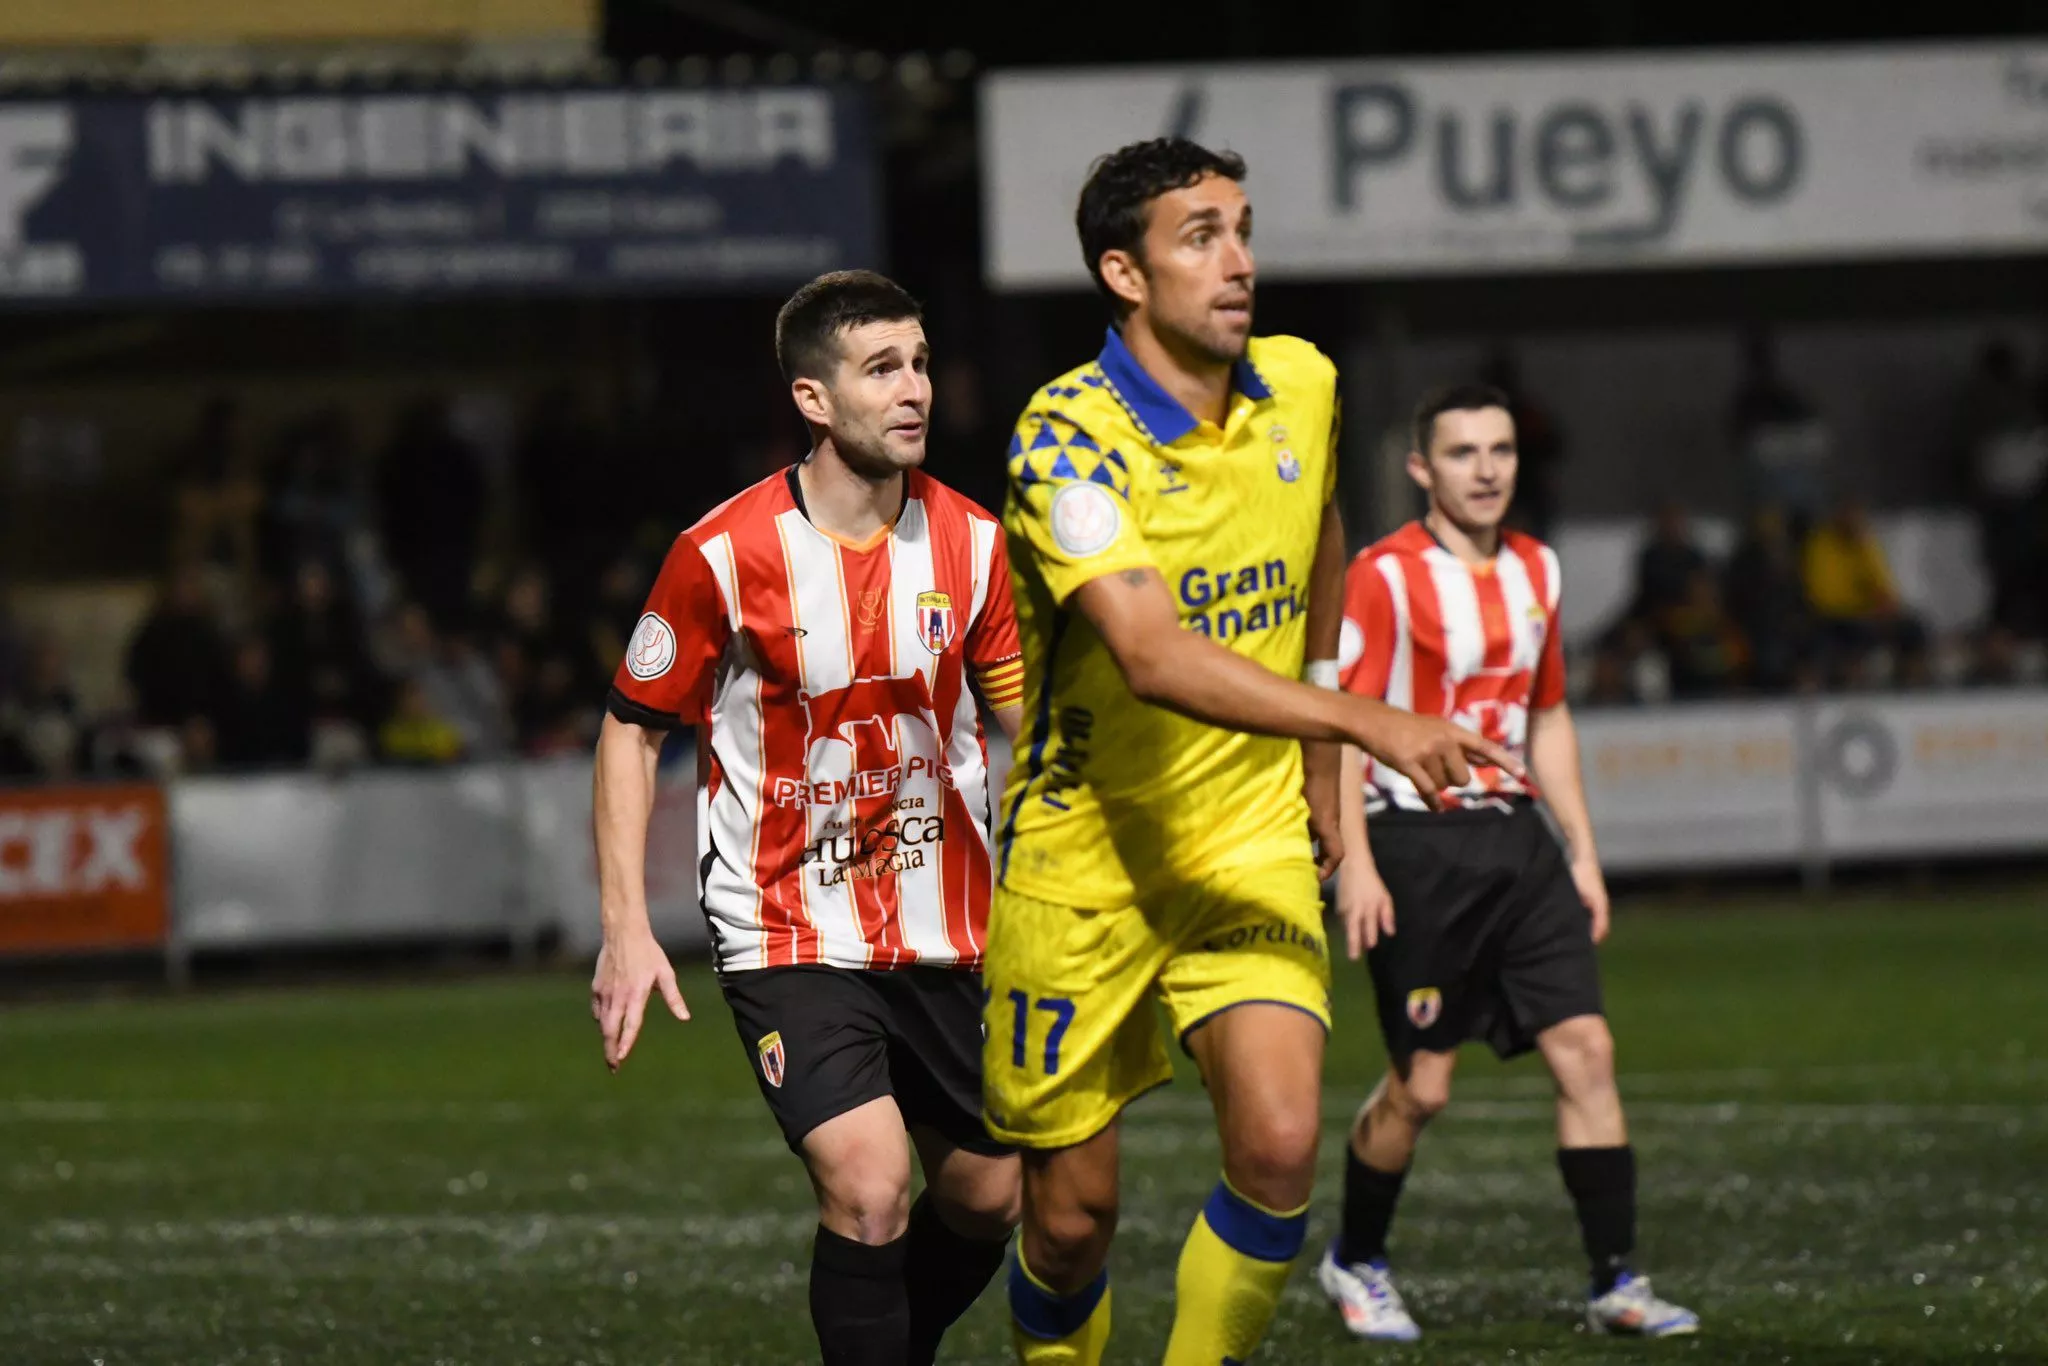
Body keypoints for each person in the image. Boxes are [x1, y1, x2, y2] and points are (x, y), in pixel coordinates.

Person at [986, 138, 1512, 1366]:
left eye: (1242, 230)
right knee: (1067, 1223)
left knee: (1276, 1150)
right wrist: (1367, 722)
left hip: (1247, 833)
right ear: (1123, 273)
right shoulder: (1065, 437)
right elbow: (1151, 654)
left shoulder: (1303, 384)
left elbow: (1318, 529)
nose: (1238, 262)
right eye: (1200, 237)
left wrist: (1319, 749)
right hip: (1085, 855)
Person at [589, 271, 1027, 1366]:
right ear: (813, 399)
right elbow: (630, 729)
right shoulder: (722, 553)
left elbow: (1032, 728)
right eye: (881, 368)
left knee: (990, 1197)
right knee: (870, 1187)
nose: (913, 389)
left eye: (919, 363)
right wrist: (626, 926)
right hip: (787, 925)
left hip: (950, 927)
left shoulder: (977, 545)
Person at [1318, 384, 1700, 1341]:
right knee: (1422, 1089)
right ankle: (1355, 1260)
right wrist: (1353, 861)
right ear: (1421, 468)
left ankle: (1617, 1282)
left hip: (1519, 845)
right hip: (1416, 847)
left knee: (1588, 1052)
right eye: (1462, 453)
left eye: (1500, 450)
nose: (1486, 470)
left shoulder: (1538, 566)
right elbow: (1344, 725)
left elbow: (1548, 713)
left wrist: (1583, 851)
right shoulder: (1383, 575)